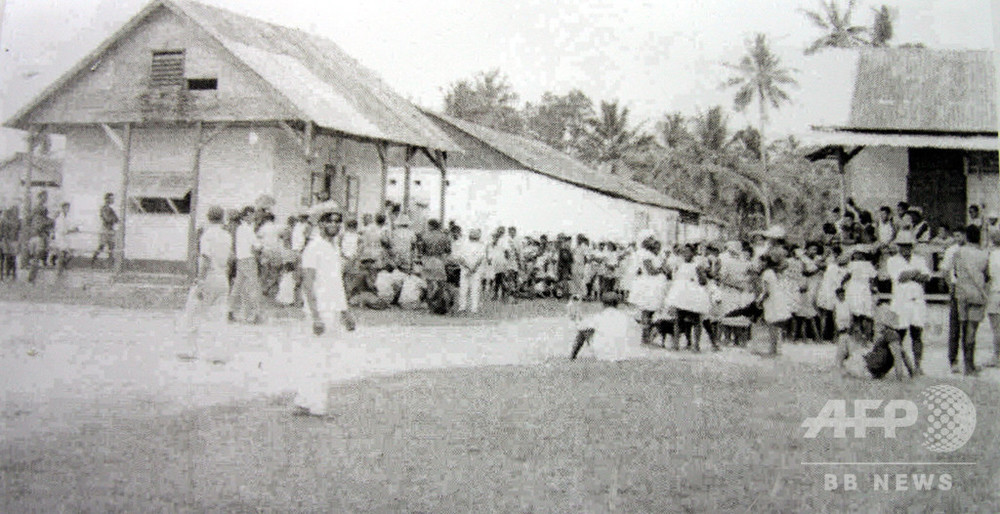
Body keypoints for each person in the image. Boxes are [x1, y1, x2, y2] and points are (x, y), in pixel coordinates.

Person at [295, 204, 356, 417]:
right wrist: (315, 315)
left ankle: (304, 401)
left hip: (333, 309)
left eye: (337, 221)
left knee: (319, 356)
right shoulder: (314, 247)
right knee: (319, 358)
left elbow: (336, 283)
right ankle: (317, 406)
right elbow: (308, 283)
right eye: (328, 221)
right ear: (320, 224)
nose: (333, 224)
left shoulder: (334, 248)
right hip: (320, 310)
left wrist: (346, 311)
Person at [178, 206, 233, 363]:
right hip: (222, 277)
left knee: (193, 312)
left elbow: (206, 259)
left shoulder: (207, 235)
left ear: (208, 218)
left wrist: (200, 280)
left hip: (209, 276)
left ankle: (189, 349)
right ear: (222, 218)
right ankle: (218, 353)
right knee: (219, 316)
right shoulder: (227, 236)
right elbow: (229, 258)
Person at [885, 232, 930, 376]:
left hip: (917, 301)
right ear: (898, 247)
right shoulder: (892, 260)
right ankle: (897, 366)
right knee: (898, 336)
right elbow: (900, 277)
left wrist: (912, 274)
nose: (906, 249)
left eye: (908, 246)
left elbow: (926, 277)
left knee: (917, 334)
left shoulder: (919, 259)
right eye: (903, 246)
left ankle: (917, 366)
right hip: (901, 302)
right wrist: (916, 273)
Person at [949, 225, 990, 375]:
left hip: (961, 293)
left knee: (962, 326)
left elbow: (955, 272)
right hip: (976, 294)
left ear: (966, 236)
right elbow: (986, 274)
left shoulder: (958, 253)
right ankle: (969, 365)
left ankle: (964, 363)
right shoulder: (984, 254)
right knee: (971, 330)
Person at [836, 308, 914, 381]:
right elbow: (901, 358)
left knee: (844, 370)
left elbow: (900, 357)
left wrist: (905, 377)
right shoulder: (892, 335)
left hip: (865, 367)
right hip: (865, 367)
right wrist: (907, 377)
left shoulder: (890, 335)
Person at [665, 243, 713, 351]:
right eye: (683, 252)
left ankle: (696, 345)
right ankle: (676, 344)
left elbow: (703, 281)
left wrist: (697, 279)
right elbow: (674, 278)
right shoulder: (679, 265)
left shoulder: (697, 265)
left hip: (693, 294)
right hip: (680, 294)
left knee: (696, 319)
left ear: (693, 253)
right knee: (678, 318)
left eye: (688, 252)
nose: (685, 254)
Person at [570, 292, 639, 361]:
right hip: (622, 354)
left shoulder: (599, 316)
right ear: (617, 304)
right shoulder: (625, 317)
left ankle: (572, 356)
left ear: (603, 304)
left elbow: (581, 328)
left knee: (584, 331)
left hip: (602, 354)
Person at [629, 232, 668, 346]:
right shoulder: (645, 254)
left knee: (650, 312)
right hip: (650, 284)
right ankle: (645, 338)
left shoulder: (652, 254)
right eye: (651, 240)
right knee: (647, 311)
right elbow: (650, 271)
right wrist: (661, 269)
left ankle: (647, 336)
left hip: (655, 283)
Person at [228, 206, 264, 324]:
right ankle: (256, 313)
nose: (254, 217)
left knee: (238, 286)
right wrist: (260, 244)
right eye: (252, 214)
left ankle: (230, 310)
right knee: (253, 287)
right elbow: (256, 245)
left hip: (240, 259)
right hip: (249, 259)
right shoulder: (247, 229)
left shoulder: (240, 228)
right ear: (247, 215)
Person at [757, 247, 792, 356]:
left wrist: (759, 301)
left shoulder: (766, 273)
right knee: (777, 326)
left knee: (772, 325)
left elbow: (766, 291)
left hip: (771, 300)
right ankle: (776, 349)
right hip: (778, 298)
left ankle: (772, 350)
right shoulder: (774, 272)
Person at [844, 249, 877, 340]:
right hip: (855, 288)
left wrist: (872, 286)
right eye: (855, 253)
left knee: (865, 313)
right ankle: (858, 335)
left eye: (858, 253)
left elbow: (872, 278)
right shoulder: (854, 264)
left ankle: (867, 336)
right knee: (856, 313)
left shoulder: (867, 264)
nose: (855, 255)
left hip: (862, 288)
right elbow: (848, 275)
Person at [456, 228, 487, 314]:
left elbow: (460, 258)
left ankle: (463, 307)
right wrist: (472, 268)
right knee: (474, 289)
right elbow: (480, 259)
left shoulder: (463, 244)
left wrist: (468, 268)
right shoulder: (481, 245)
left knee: (464, 289)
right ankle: (474, 308)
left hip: (466, 269)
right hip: (475, 270)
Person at [50, 201, 79, 277]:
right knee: (64, 255)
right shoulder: (60, 218)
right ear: (63, 208)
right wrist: (73, 230)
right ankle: (59, 270)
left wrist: (72, 229)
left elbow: (66, 228)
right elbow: (63, 230)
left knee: (66, 255)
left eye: (68, 208)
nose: (68, 209)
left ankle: (60, 268)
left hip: (63, 239)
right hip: (60, 239)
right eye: (66, 207)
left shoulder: (65, 218)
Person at [985, 230, 1000, 367]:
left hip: (996, 292)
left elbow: (988, 275)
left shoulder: (992, 255)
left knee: (996, 327)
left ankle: (997, 356)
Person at [91, 192, 119, 268]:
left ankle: (111, 264)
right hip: (105, 229)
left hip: (110, 229)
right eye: (111, 198)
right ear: (107, 199)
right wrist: (112, 219)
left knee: (112, 247)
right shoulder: (104, 208)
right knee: (102, 246)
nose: (113, 200)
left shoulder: (111, 209)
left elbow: (117, 219)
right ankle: (93, 261)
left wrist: (113, 219)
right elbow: (107, 219)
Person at [0, 206, 20, 281]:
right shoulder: (5, 221)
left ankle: (8, 274)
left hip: (6, 241)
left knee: (8, 258)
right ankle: (10, 274)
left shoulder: (5, 221)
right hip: (6, 241)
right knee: (9, 258)